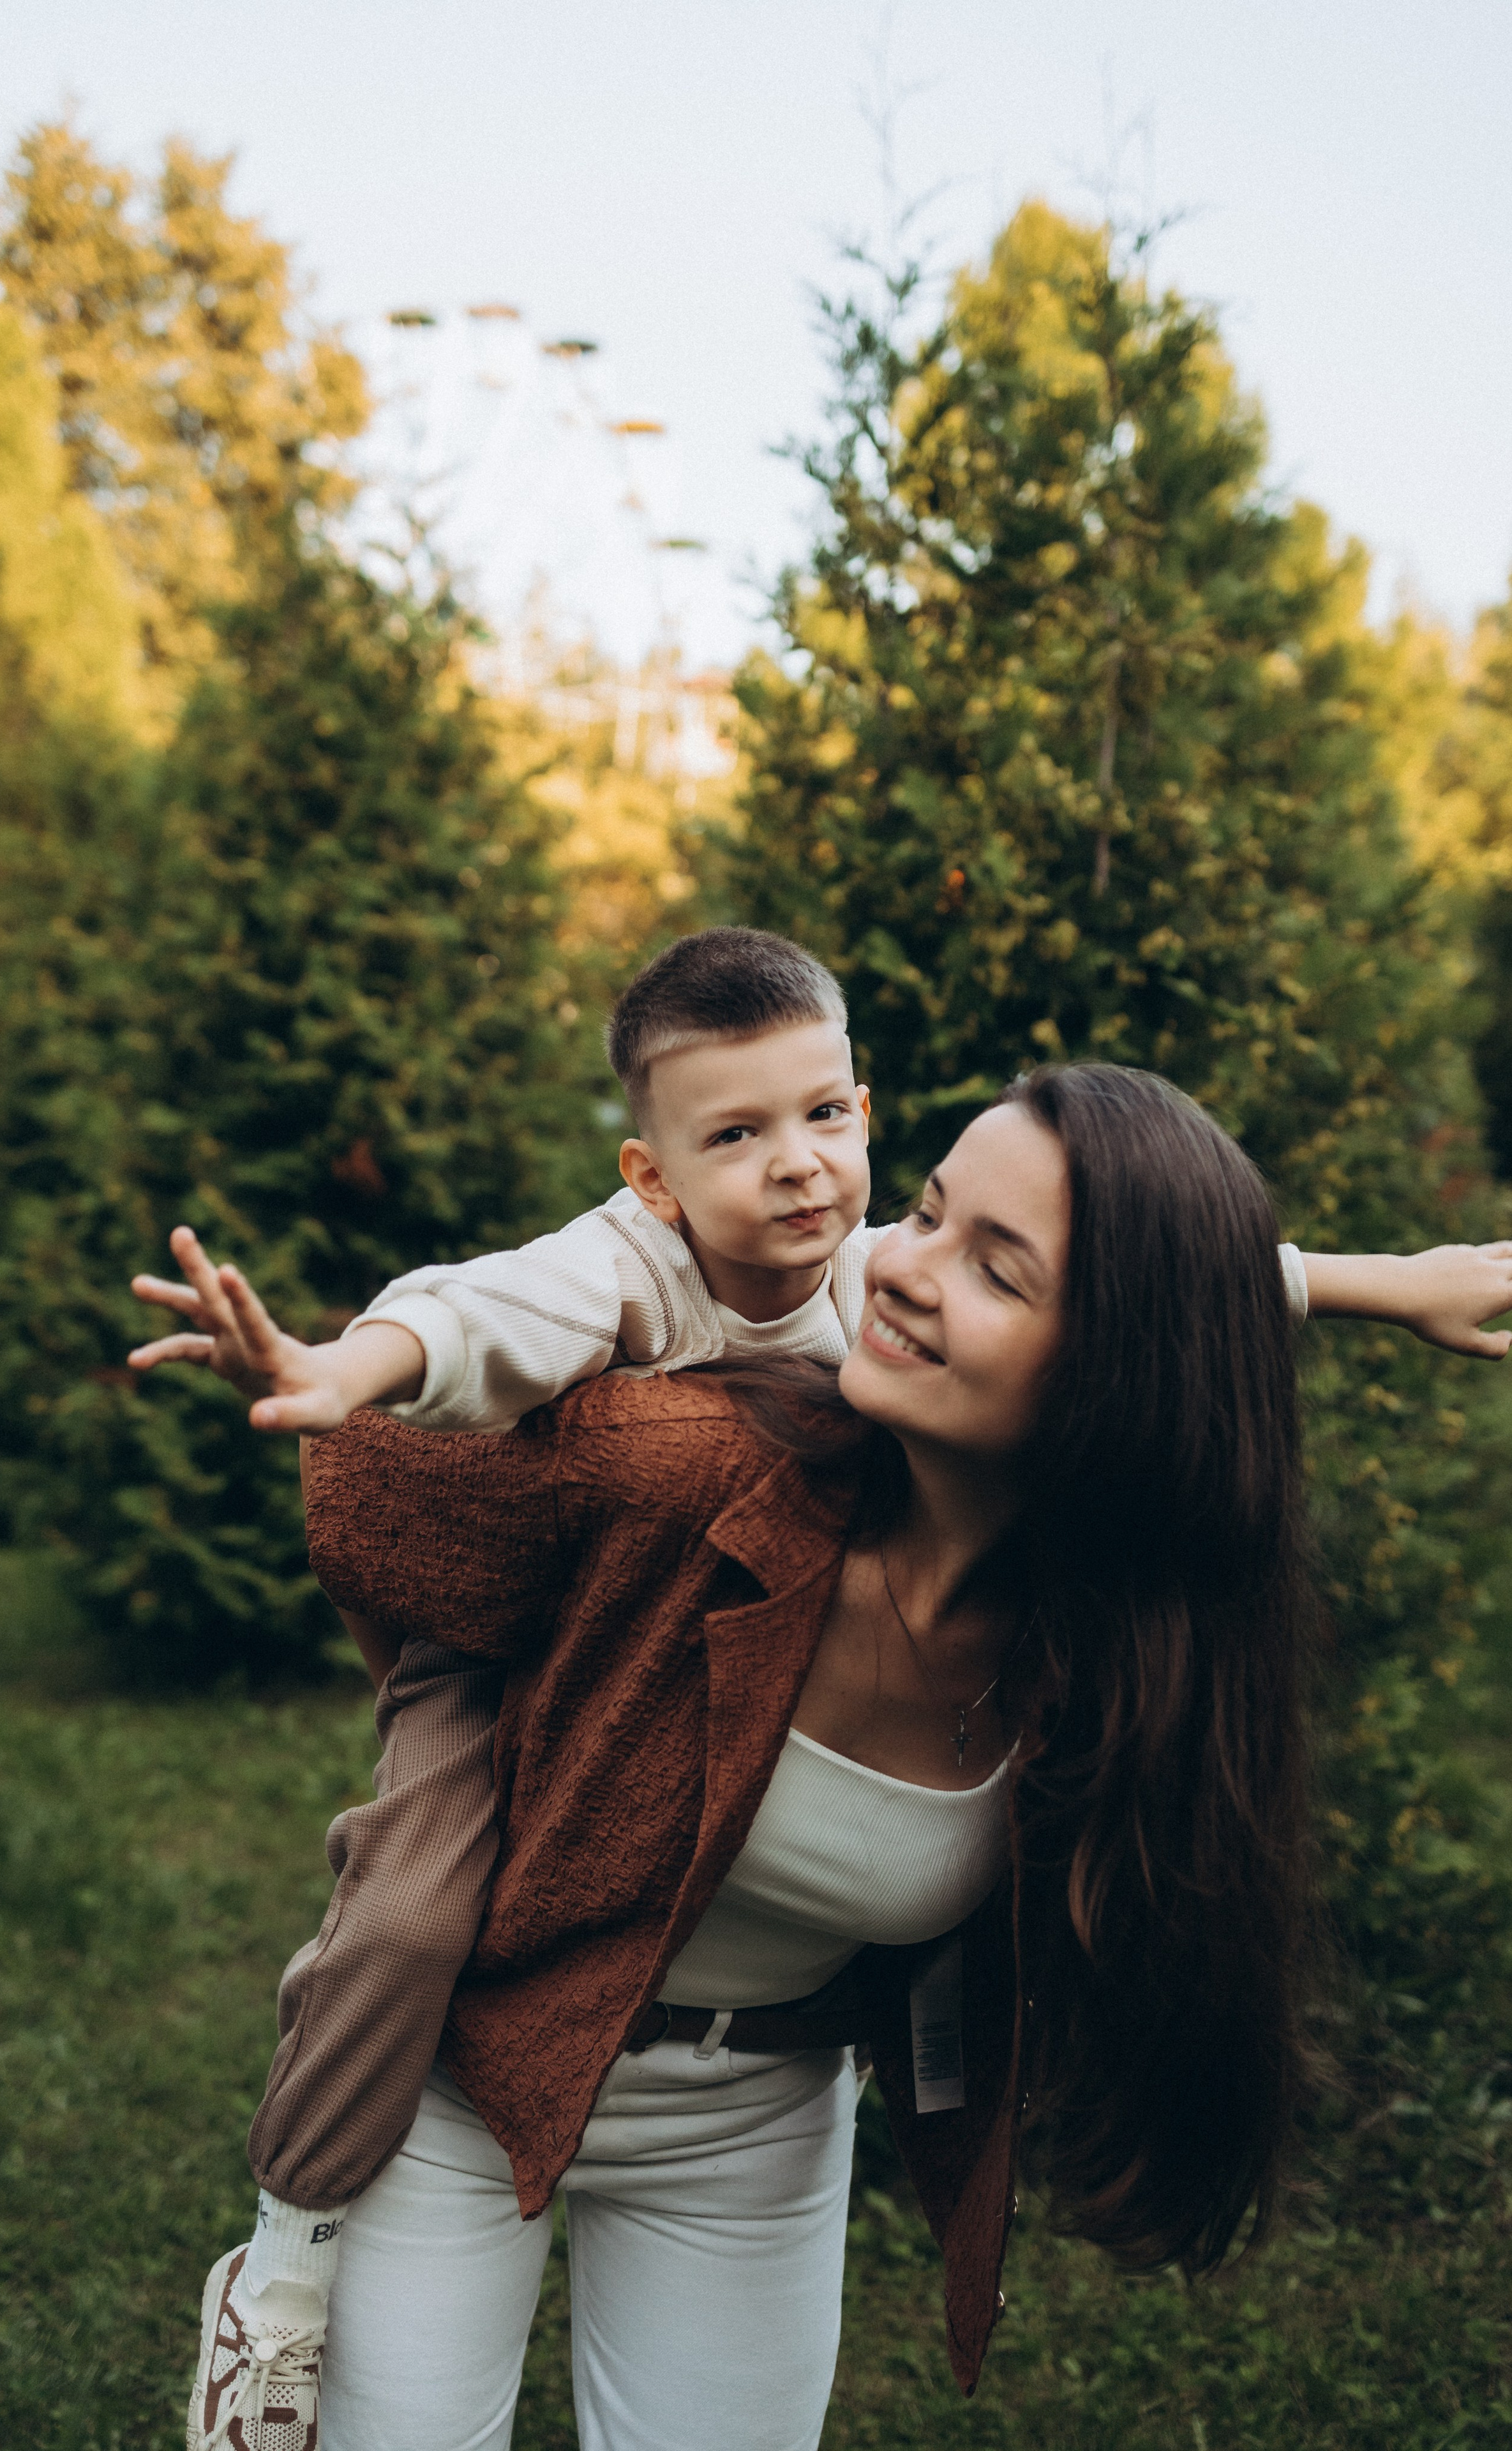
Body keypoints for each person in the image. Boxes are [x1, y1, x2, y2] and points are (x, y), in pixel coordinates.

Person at [137, 935, 1512, 2451]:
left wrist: (1398, 1284)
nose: (893, 1260)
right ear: (656, 1167)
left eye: (992, 1263)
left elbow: (1195, 1283)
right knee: (402, 1928)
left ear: (1119, 1363)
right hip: (475, 2065)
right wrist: (368, 1407)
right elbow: (398, 1458)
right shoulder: (666, 1416)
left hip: (761, 2115)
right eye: (932, 1214)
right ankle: (287, 2257)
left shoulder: (1098, 1643)